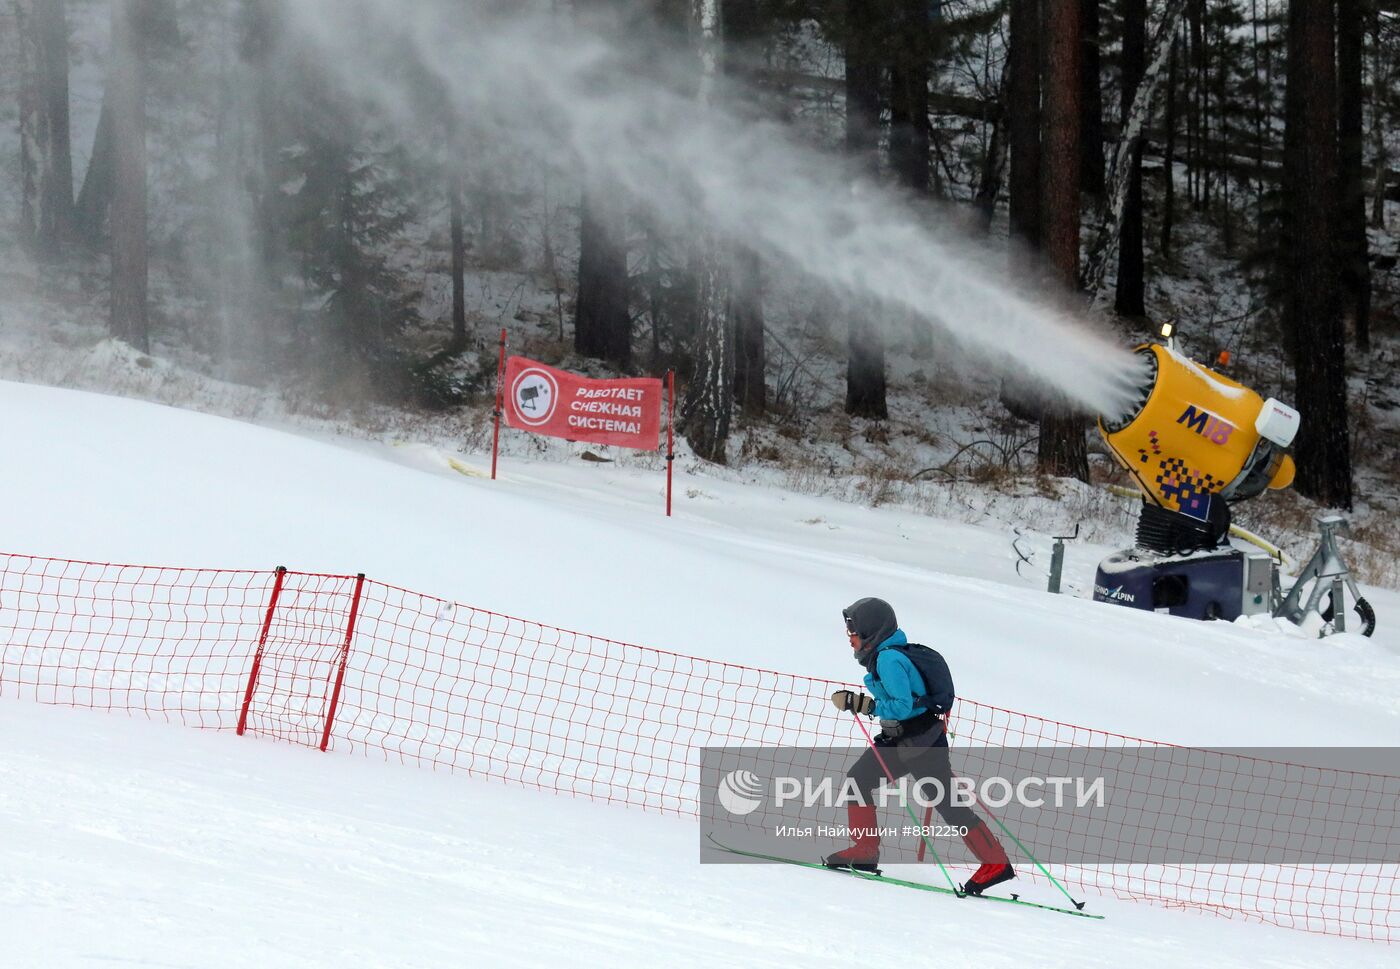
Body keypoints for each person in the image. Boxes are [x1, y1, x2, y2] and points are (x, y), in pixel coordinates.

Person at [824, 596, 1015, 897]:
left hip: (922, 743)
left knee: (948, 803)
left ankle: (996, 863)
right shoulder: (884, 657)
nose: (850, 639)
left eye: (854, 632)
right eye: (849, 632)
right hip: (902, 741)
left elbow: (901, 706)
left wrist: (864, 705)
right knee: (858, 780)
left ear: (872, 633)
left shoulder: (888, 659)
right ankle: (864, 850)